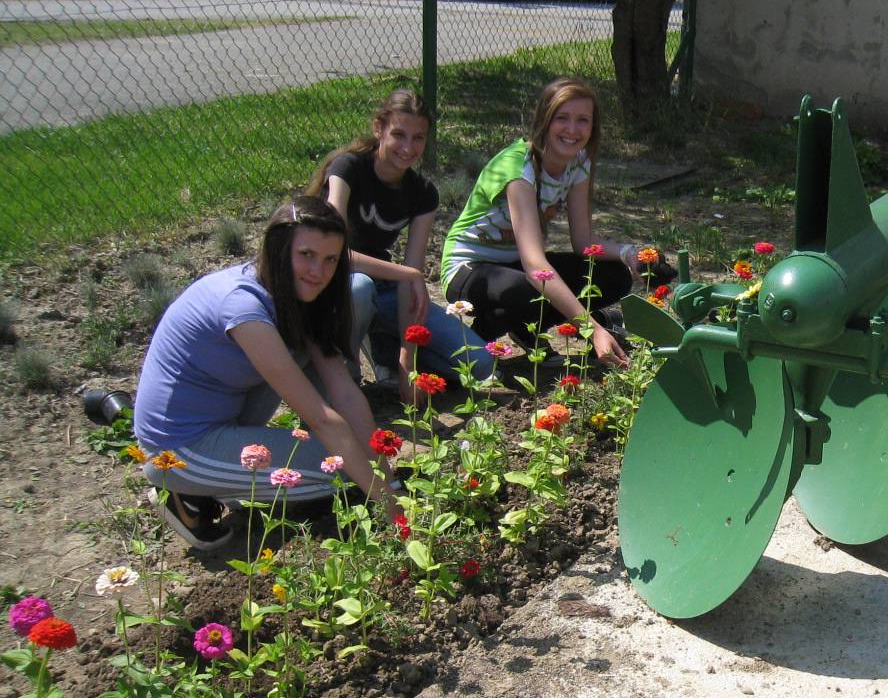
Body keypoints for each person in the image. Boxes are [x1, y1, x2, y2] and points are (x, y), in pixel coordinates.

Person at [133, 196, 400, 552]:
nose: (318, 272)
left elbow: (346, 393)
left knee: (359, 464)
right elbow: (322, 418)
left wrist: (385, 475)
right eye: (306, 255)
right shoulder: (244, 308)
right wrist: (394, 511)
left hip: (225, 415)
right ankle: (182, 494)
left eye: (330, 260)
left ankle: (218, 480)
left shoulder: (297, 296)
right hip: (178, 448)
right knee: (340, 468)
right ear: (277, 249)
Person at [440, 77, 670, 369]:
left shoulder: (579, 162)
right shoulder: (516, 168)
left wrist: (631, 254)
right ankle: (477, 339)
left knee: (614, 277)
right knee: (527, 291)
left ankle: (519, 326)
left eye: (582, 120)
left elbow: (584, 243)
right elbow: (536, 268)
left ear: (593, 127)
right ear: (544, 120)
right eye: (562, 118)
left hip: (516, 265)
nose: (572, 130)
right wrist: (591, 330)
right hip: (469, 267)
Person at [308, 90, 494, 401]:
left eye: (418, 138)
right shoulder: (347, 169)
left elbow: (411, 277)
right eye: (399, 135)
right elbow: (333, 254)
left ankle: (389, 355)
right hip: (338, 285)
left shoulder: (422, 193)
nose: (408, 148)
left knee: (480, 364)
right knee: (359, 288)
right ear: (378, 128)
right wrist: (405, 274)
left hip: (385, 287)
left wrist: (409, 363)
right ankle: (343, 377)